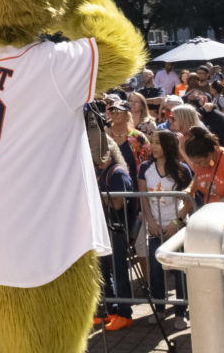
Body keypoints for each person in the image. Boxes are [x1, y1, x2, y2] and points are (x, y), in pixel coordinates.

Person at [138, 131, 192, 329]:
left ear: (168, 145)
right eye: (151, 142)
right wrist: (150, 221)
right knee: (156, 271)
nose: (152, 146)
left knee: (180, 272)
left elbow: (190, 200)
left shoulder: (182, 169)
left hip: (176, 228)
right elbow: (144, 197)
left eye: (157, 143)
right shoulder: (145, 168)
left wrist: (177, 222)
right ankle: (159, 309)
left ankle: (181, 312)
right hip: (154, 228)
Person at [95, 137, 135, 331]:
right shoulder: (104, 172)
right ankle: (111, 309)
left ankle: (124, 313)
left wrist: (97, 197)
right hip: (107, 228)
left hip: (117, 228)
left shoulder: (117, 173)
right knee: (104, 270)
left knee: (119, 270)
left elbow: (118, 203)